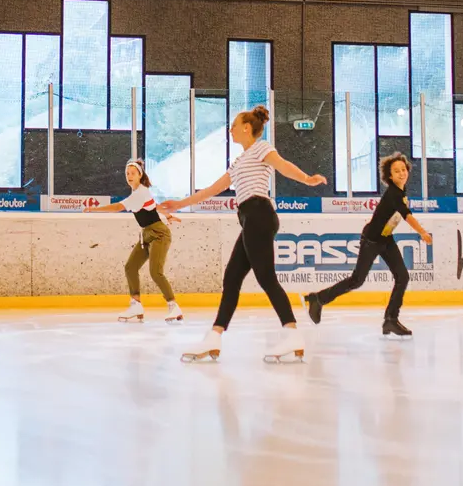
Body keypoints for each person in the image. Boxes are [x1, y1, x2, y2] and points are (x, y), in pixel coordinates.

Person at [157, 105, 327, 363]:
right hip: (249, 219)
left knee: (266, 278)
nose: (231, 129)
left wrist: (307, 179)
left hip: (259, 214)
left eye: (234, 125)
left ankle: (292, 332)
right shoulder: (238, 162)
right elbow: (212, 189)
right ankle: (214, 336)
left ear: (247, 128)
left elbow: (282, 165)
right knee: (232, 278)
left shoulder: (262, 148)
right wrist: (179, 204)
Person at [301, 152, 433, 337]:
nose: (402, 173)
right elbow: (406, 214)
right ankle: (318, 298)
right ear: (390, 176)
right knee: (357, 280)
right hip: (371, 240)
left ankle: (391, 320)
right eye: (396, 171)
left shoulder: (401, 191)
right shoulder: (394, 194)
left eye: (403, 170)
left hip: (385, 239)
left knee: (402, 276)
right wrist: (422, 232)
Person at [85, 158, 182, 323]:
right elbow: (154, 205)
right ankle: (135, 304)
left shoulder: (140, 193)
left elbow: (118, 207)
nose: (129, 176)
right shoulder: (140, 193)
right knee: (131, 267)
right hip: (146, 235)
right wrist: (167, 214)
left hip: (159, 234)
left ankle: (174, 307)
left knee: (155, 272)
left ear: (140, 175)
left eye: (132, 173)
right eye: (127, 173)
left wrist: (95, 209)